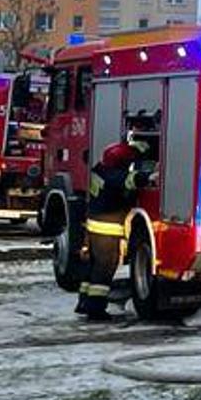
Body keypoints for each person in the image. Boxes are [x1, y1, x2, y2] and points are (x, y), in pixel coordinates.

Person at [76, 135, 152, 321]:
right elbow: (132, 180)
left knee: (92, 268)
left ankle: (84, 302)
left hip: (94, 227)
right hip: (107, 231)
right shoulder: (115, 176)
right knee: (104, 269)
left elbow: (122, 163)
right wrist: (152, 175)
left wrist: (137, 149)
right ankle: (96, 311)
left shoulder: (99, 170)